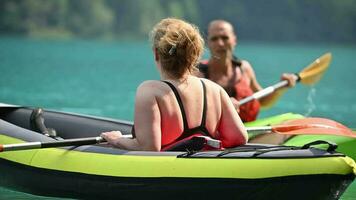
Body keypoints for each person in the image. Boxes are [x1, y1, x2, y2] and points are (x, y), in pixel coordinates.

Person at [101, 18, 248, 151]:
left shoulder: (150, 91)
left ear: (156, 54)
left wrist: (117, 140)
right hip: (207, 170)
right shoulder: (215, 90)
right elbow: (239, 138)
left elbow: (148, 148)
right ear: (194, 55)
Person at [197, 20, 298, 122]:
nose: (220, 43)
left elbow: (262, 100)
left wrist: (281, 88)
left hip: (247, 131)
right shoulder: (197, 74)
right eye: (214, 39)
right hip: (214, 135)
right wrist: (222, 107)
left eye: (225, 38)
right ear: (208, 43)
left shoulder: (244, 68)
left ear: (234, 40)